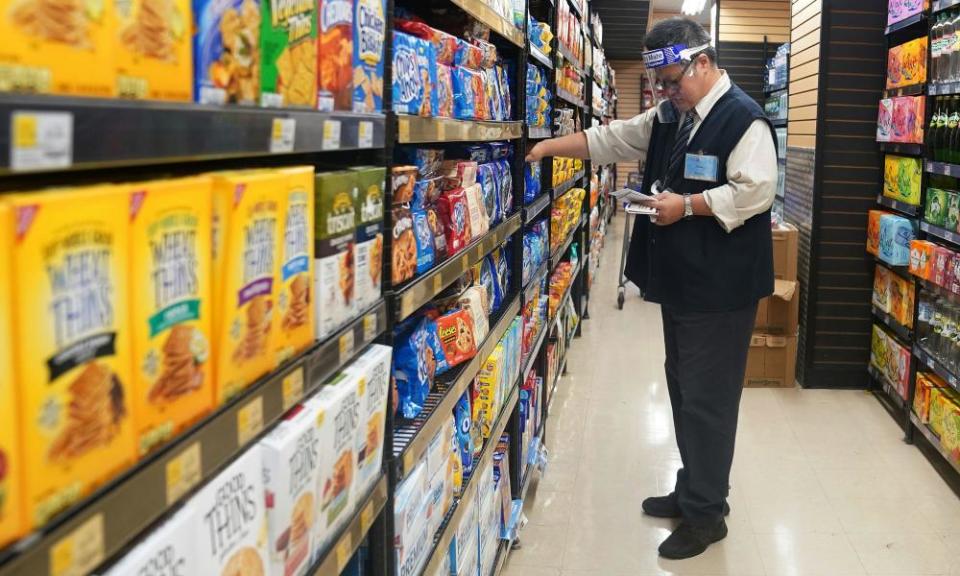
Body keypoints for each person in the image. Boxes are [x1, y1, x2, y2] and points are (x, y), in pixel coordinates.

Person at [527, 17, 778, 560]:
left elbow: (757, 192)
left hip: (722, 289)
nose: (665, 93)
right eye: (658, 83)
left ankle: (708, 516)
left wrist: (686, 205)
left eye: (671, 81)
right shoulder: (672, 116)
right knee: (686, 392)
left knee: (708, 402)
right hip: (685, 283)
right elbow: (611, 137)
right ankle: (694, 490)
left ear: (703, 63)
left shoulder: (745, 120)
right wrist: (548, 146)